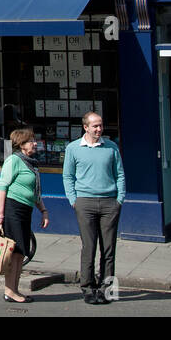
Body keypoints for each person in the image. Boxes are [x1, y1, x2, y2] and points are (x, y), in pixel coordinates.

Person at [62, 111, 125, 304]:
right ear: (85, 127)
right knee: (88, 247)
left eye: (101, 125)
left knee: (108, 249)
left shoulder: (111, 147)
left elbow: (120, 174)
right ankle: (88, 287)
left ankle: (106, 289)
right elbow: (68, 177)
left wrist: (119, 199)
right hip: (85, 203)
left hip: (109, 203)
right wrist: (73, 199)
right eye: (95, 126)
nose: (99, 129)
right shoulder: (73, 148)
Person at [0, 127, 49, 303]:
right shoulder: (14, 161)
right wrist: (0, 214)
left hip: (25, 210)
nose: (35, 143)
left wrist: (43, 211)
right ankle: (10, 291)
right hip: (13, 210)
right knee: (14, 252)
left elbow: (33, 192)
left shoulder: (30, 162)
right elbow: (2, 187)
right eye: (31, 141)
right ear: (22, 144)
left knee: (20, 253)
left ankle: (14, 290)